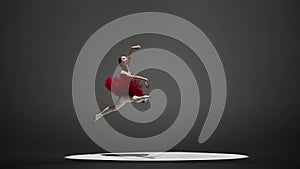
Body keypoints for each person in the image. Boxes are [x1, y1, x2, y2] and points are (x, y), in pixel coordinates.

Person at [95, 44, 150, 121]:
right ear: (121, 63)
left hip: (127, 95)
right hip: (126, 93)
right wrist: (145, 79)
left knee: (114, 107)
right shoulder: (123, 72)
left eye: (126, 58)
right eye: (124, 58)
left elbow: (130, 57)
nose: (126, 59)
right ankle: (140, 98)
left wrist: (132, 49)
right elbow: (133, 77)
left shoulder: (127, 67)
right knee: (132, 98)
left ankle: (99, 115)